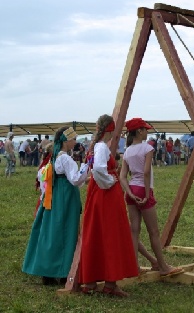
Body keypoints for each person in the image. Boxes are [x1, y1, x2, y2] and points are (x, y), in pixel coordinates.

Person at [79, 114, 138, 297]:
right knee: (112, 234)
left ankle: (92, 281)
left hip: (97, 193)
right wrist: (110, 181)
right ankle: (110, 283)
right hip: (106, 195)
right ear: (111, 130)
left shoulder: (96, 146)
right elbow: (98, 169)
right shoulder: (102, 147)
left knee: (97, 233)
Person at [22, 127, 89, 285]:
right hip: (65, 197)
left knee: (53, 231)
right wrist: (86, 168)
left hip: (55, 195)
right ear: (66, 141)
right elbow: (74, 179)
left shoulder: (55, 156)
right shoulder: (65, 158)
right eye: (73, 139)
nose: (75, 141)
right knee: (67, 231)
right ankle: (65, 271)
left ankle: (49, 272)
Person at [120, 118, 184, 278]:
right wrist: (147, 194)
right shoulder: (147, 148)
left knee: (134, 231)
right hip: (143, 189)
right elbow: (146, 171)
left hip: (132, 190)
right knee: (153, 232)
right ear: (139, 131)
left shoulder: (127, 151)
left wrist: (129, 192)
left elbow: (122, 176)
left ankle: (134, 267)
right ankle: (162, 266)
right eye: (145, 129)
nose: (147, 132)